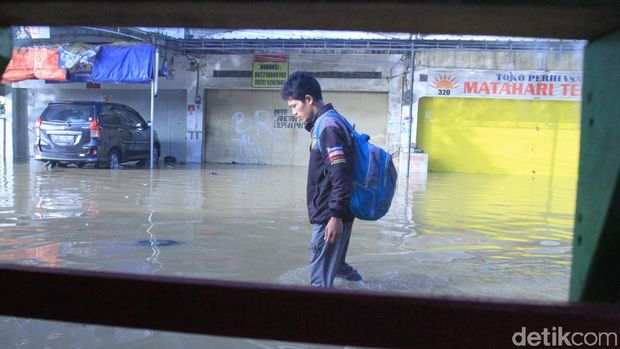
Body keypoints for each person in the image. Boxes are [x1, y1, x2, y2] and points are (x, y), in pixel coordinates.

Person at [280, 71, 362, 288]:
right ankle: (367, 290)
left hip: (330, 215)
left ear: (308, 99)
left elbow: (340, 173)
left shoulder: (327, 127)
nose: (293, 112)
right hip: (339, 211)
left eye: (294, 106)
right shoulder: (330, 121)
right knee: (338, 267)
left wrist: (334, 216)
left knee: (319, 280)